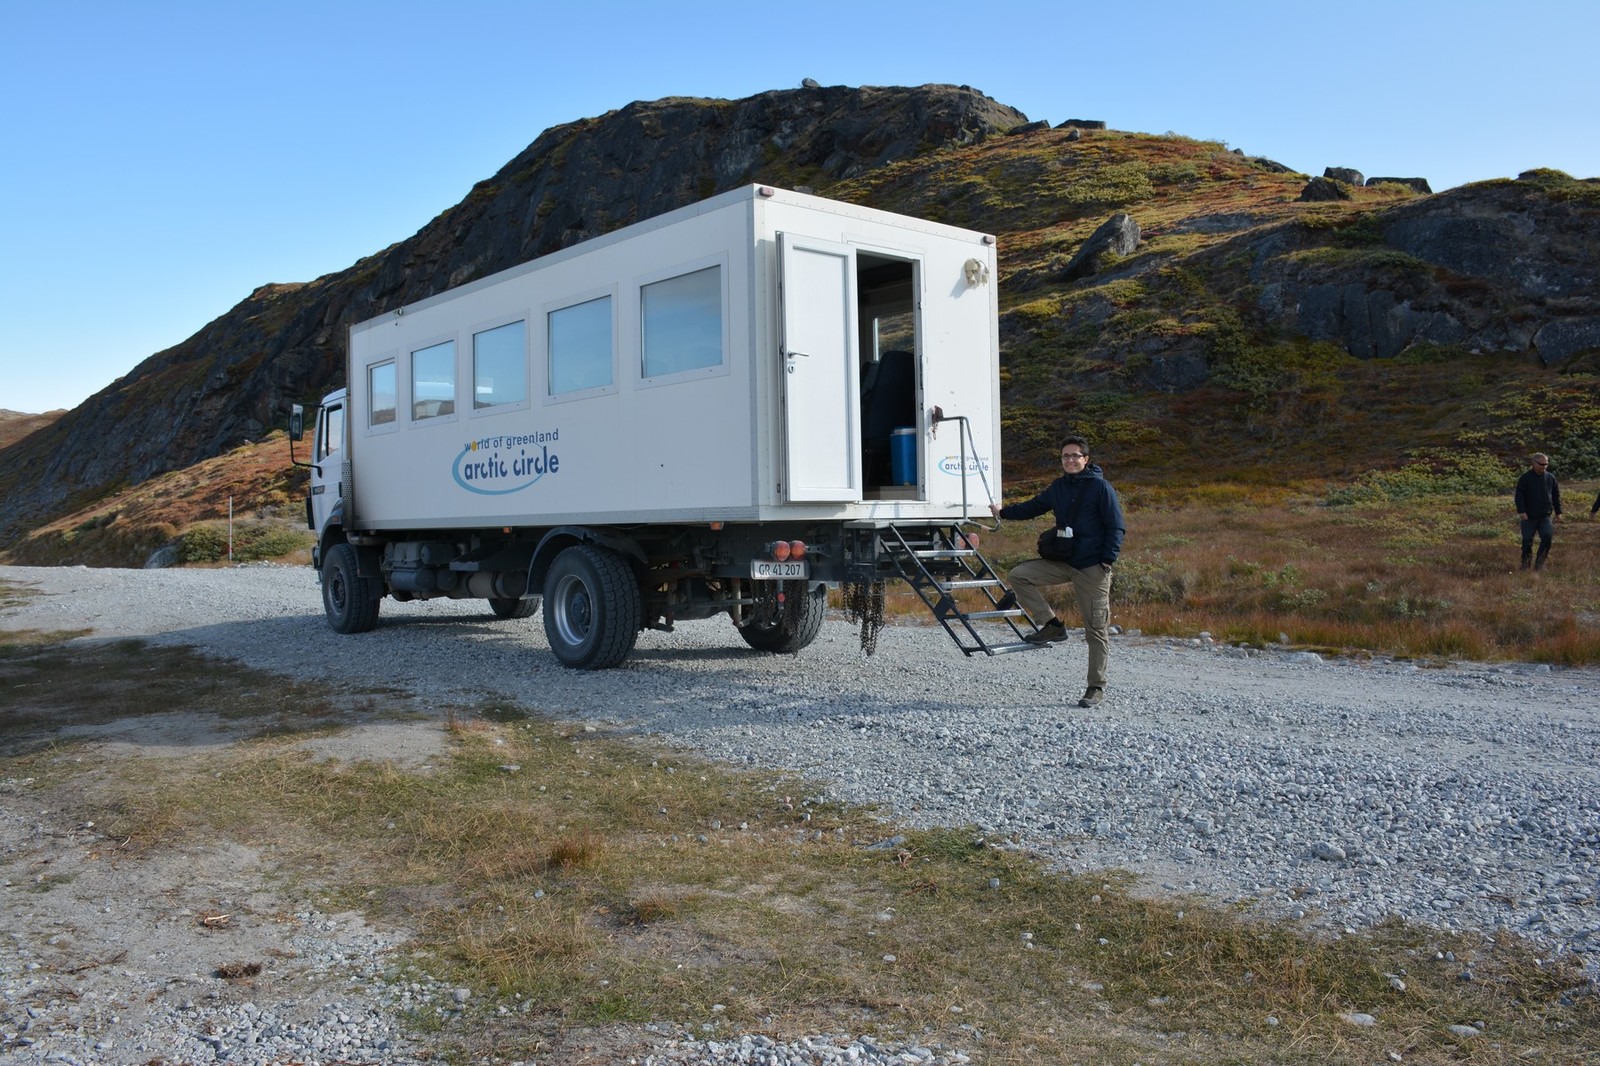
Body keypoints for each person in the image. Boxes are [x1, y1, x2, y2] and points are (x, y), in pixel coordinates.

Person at [989, 435, 1126, 708]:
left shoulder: (1101, 488)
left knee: (1096, 630)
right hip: (1064, 561)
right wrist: (1003, 513)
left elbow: (1116, 527)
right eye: (1066, 456)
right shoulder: (1058, 488)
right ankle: (1052, 626)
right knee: (1020, 575)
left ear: (1086, 459)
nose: (1070, 460)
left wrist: (1106, 561)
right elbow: (1033, 507)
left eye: (1076, 456)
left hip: (1092, 568)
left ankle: (1095, 688)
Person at [1513, 452, 1561, 571]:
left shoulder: (1550, 478)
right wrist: (1521, 511)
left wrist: (1559, 512)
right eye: (1541, 464)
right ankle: (1525, 564)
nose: (1544, 467)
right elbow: (1519, 496)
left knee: (1547, 537)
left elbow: (1556, 496)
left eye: (1546, 464)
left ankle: (1539, 565)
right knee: (1527, 541)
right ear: (1533, 463)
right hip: (1528, 517)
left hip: (1545, 516)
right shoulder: (1525, 478)